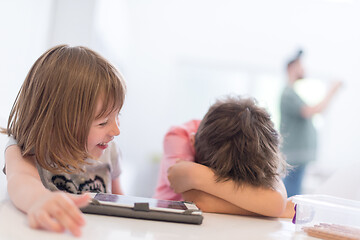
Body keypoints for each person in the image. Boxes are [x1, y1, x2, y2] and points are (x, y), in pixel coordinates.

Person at [1, 45, 126, 236]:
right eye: (102, 123)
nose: (116, 131)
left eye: (117, 117)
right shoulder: (26, 149)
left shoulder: (110, 150)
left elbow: (120, 201)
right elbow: (20, 181)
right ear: (57, 123)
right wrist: (38, 200)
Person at [154, 96, 288, 217]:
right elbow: (195, 198)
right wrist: (264, 209)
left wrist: (271, 208)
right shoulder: (179, 136)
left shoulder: (253, 147)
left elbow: (275, 202)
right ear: (192, 141)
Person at [280, 50, 342, 197]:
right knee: (291, 197)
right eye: (300, 65)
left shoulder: (292, 93)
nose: (304, 69)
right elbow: (312, 111)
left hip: (298, 157)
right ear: (291, 68)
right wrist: (332, 91)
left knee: (293, 194)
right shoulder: (288, 94)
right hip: (294, 157)